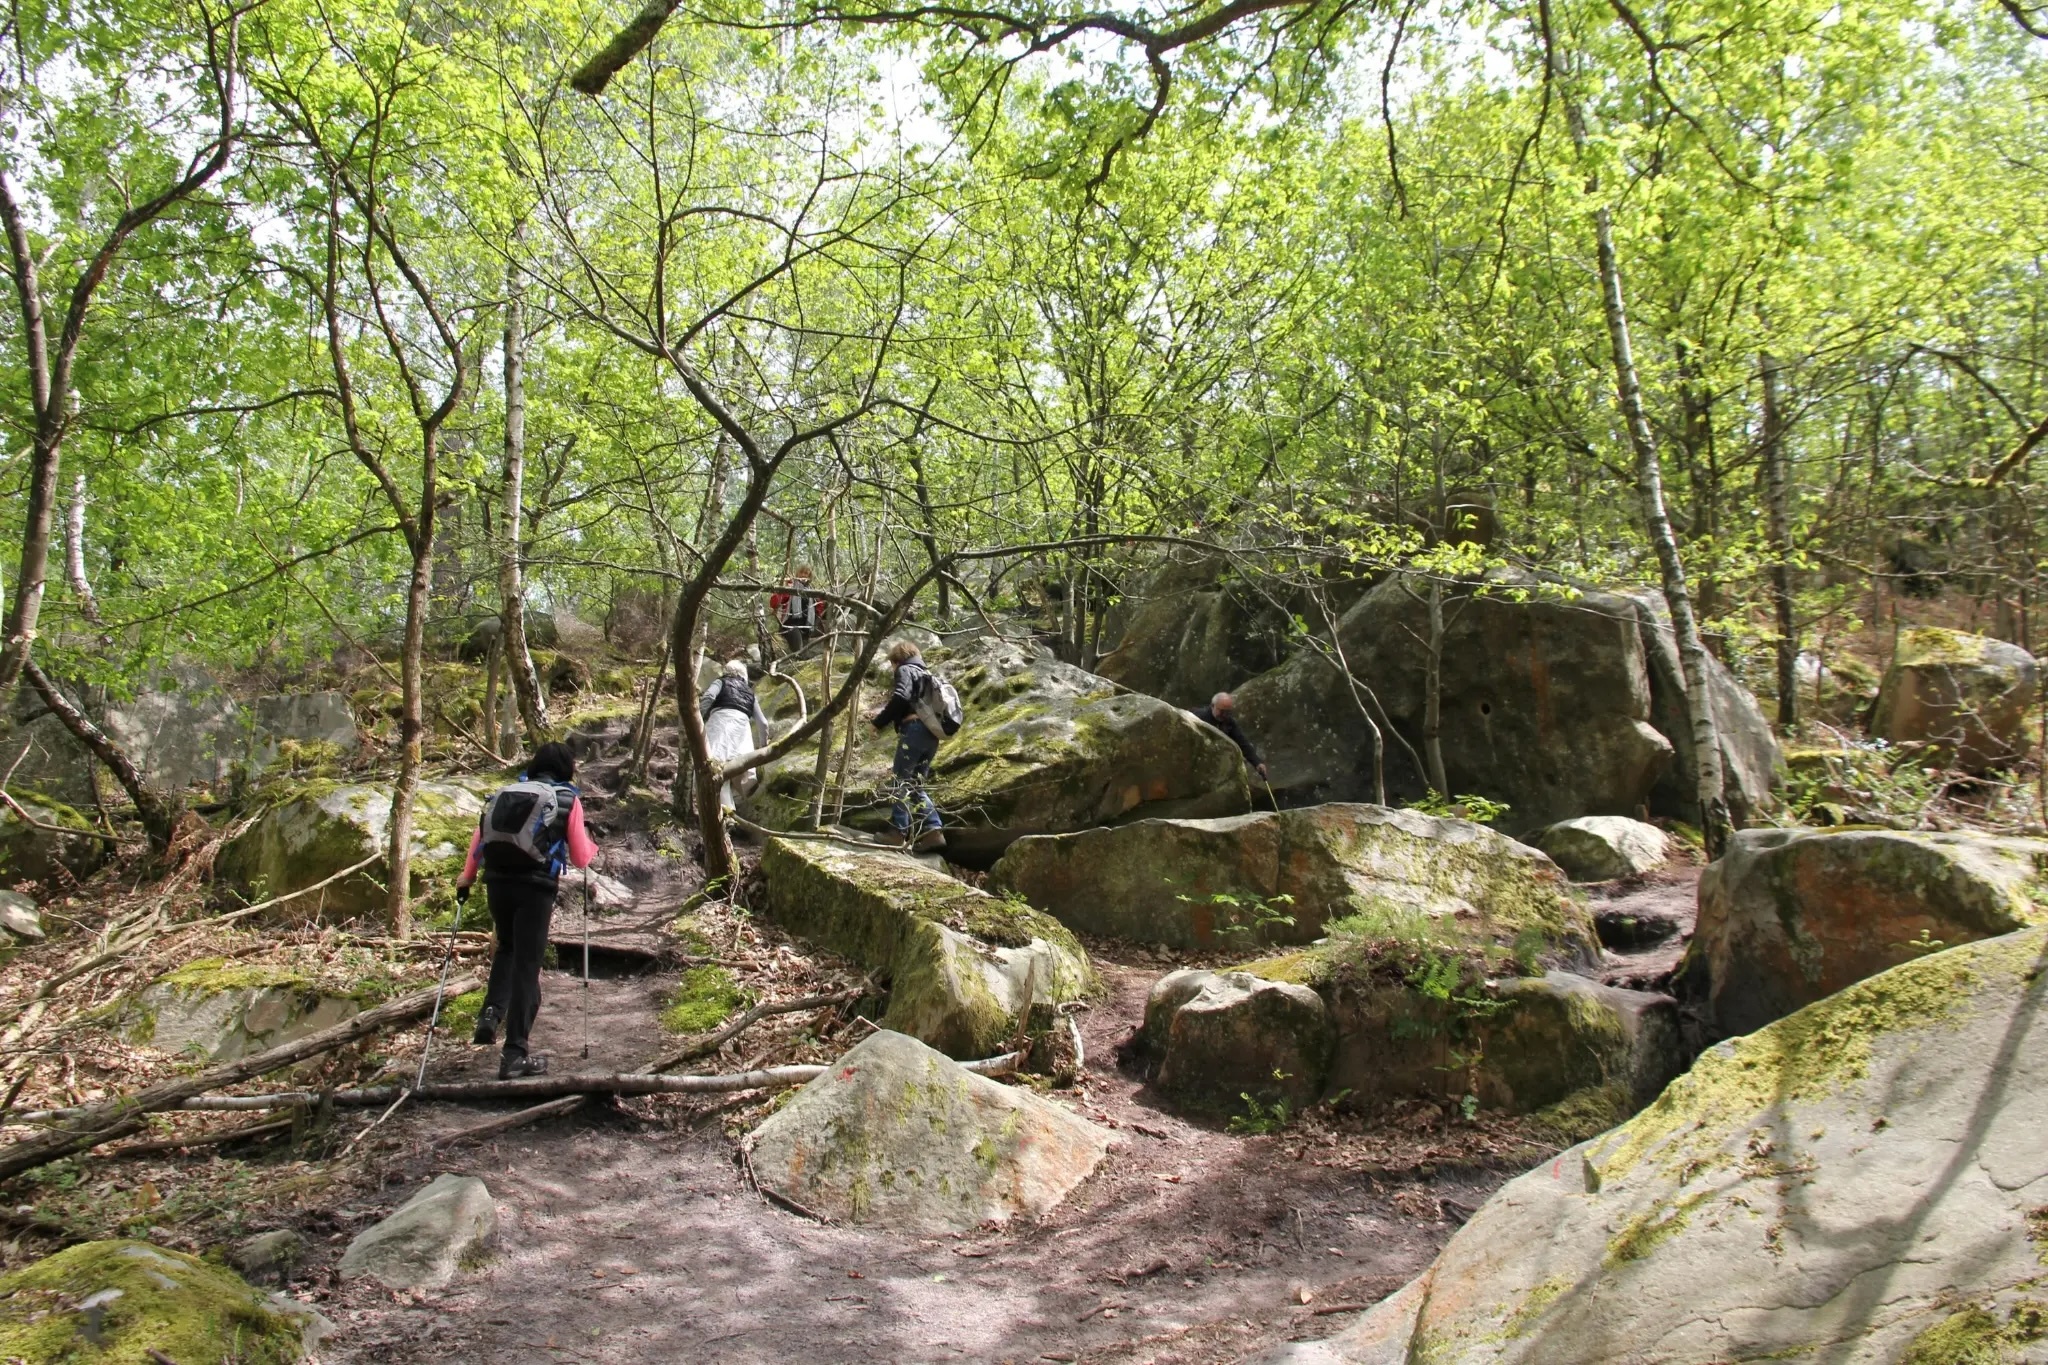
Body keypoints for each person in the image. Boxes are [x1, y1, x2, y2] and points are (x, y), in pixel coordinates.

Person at [455, 741, 598, 1079]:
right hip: (534, 889)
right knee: (527, 966)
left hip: (497, 883)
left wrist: (466, 878)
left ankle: (490, 1015)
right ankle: (515, 1053)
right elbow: (580, 857)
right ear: (568, 768)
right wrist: (591, 844)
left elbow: (480, 838)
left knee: (506, 948)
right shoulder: (568, 799)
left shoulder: (508, 791)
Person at [869, 639, 946, 851]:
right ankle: (933, 832)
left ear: (897, 660)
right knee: (915, 784)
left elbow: (901, 696)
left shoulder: (906, 670)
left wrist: (878, 722)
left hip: (913, 730)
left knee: (900, 781)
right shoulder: (928, 675)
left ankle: (897, 832)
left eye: (893, 664)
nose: (893, 669)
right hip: (932, 734)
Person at [699, 657, 769, 810]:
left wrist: (700, 718)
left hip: (720, 726)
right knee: (730, 773)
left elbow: (708, 697)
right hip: (741, 733)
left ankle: (724, 814)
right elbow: (763, 723)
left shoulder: (721, 682)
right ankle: (728, 814)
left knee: (716, 771)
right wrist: (764, 748)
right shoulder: (750, 693)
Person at [1193, 691, 1267, 782]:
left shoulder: (1228, 722)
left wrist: (1257, 763)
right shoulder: (1198, 717)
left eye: (1228, 712)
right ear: (1212, 706)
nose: (1224, 715)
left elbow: (1242, 742)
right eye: (1222, 711)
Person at [769, 567, 826, 656]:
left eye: (806, 573)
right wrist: (781, 589)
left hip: (806, 627)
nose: (803, 575)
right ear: (797, 574)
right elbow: (774, 602)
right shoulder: (790, 588)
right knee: (799, 651)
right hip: (790, 626)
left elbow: (819, 607)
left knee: (806, 653)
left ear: (809, 576)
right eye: (801, 572)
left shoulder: (812, 591)